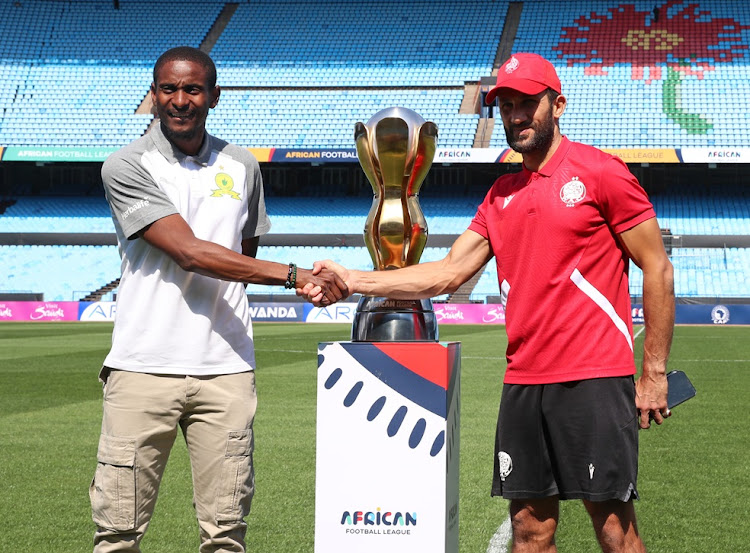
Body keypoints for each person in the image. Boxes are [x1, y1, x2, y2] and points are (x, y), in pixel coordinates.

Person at [303, 52, 674, 553]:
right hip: (523, 381)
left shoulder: (600, 171)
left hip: (592, 378)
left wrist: (652, 374)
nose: (516, 116)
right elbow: (447, 273)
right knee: (528, 529)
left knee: (614, 529)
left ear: (557, 104)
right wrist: (355, 278)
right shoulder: (501, 194)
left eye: (528, 103)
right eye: (506, 106)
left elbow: (658, 267)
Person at [90, 46, 347, 553]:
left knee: (226, 535)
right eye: (168, 89)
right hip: (142, 367)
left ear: (214, 96)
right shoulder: (125, 165)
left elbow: (241, 259)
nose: (179, 100)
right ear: (154, 94)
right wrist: (296, 276)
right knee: (118, 534)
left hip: (226, 370)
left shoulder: (243, 165)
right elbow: (189, 252)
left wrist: (291, 277)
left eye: (192, 89)